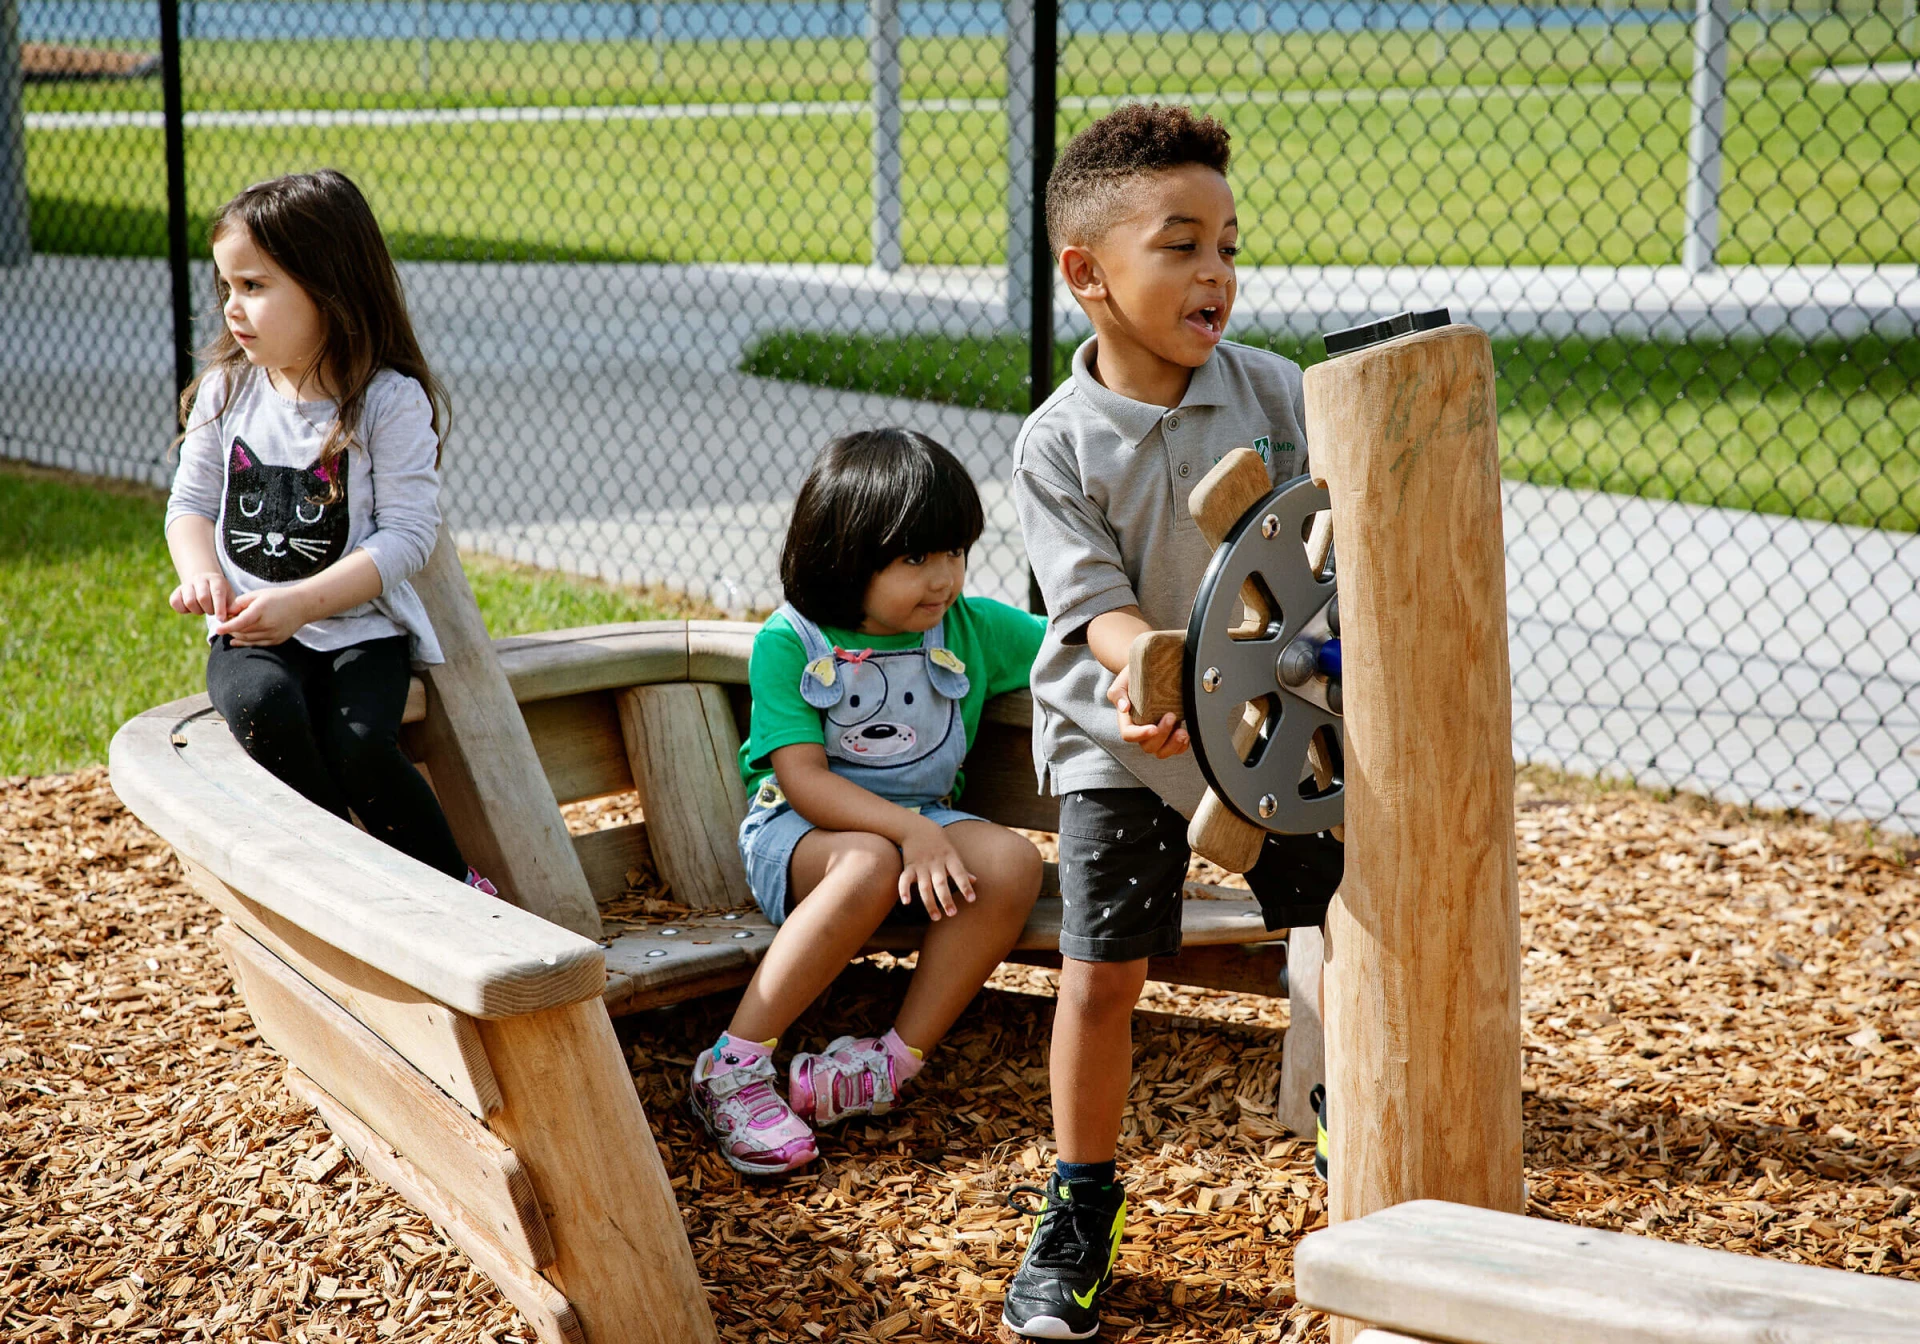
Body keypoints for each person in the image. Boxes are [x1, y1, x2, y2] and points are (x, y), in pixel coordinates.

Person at [1003, 104, 1345, 1339]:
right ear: (1087, 276)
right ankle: (1080, 1207)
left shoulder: (1275, 394)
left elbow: (1329, 543)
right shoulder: (1057, 444)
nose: (1218, 273)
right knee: (1101, 974)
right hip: (1122, 733)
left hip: (1274, 724)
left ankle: (1360, 1137)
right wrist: (1144, 678)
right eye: (1183, 244)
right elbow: (1090, 604)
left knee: (1343, 928)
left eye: (1231, 244)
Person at [690, 428, 1046, 1176]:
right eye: (916, 558)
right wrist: (907, 830)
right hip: (803, 839)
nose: (944, 578)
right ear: (847, 551)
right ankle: (732, 1067)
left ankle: (890, 1063)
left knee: (1013, 862)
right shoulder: (792, 643)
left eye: (954, 552)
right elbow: (803, 781)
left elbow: (1069, 643)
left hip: (920, 834)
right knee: (866, 861)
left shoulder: (972, 629)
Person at [164, 169, 492, 893]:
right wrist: (200, 571)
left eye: (254, 286)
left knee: (361, 747)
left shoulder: (386, 402)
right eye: (226, 287)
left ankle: (456, 890)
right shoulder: (227, 390)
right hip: (249, 630)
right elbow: (188, 503)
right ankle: (345, 882)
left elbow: (406, 538)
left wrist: (302, 605)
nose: (233, 308)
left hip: (360, 633)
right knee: (261, 707)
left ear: (329, 286)